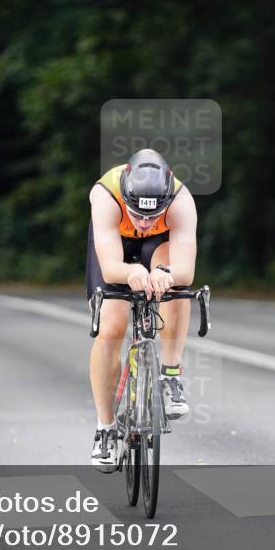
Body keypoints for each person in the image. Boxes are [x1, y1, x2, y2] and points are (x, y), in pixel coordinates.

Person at [86, 149, 198, 472]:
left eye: (153, 215)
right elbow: (109, 268)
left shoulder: (181, 200)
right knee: (111, 328)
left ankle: (171, 373)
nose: (146, 221)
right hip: (115, 248)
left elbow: (186, 270)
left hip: (158, 247)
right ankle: (105, 429)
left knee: (174, 287)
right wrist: (130, 273)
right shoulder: (106, 194)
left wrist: (167, 275)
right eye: (139, 213)